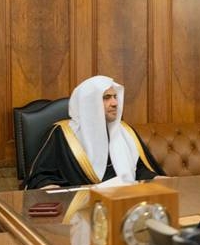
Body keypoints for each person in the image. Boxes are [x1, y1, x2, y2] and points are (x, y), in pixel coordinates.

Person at [24, 75, 164, 189]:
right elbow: (42, 176)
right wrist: (49, 187)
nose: (115, 103)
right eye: (107, 97)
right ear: (88, 103)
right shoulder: (63, 134)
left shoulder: (125, 132)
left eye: (115, 97)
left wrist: (157, 178)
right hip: (79, 210)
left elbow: (139, 170)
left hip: (125, 203)